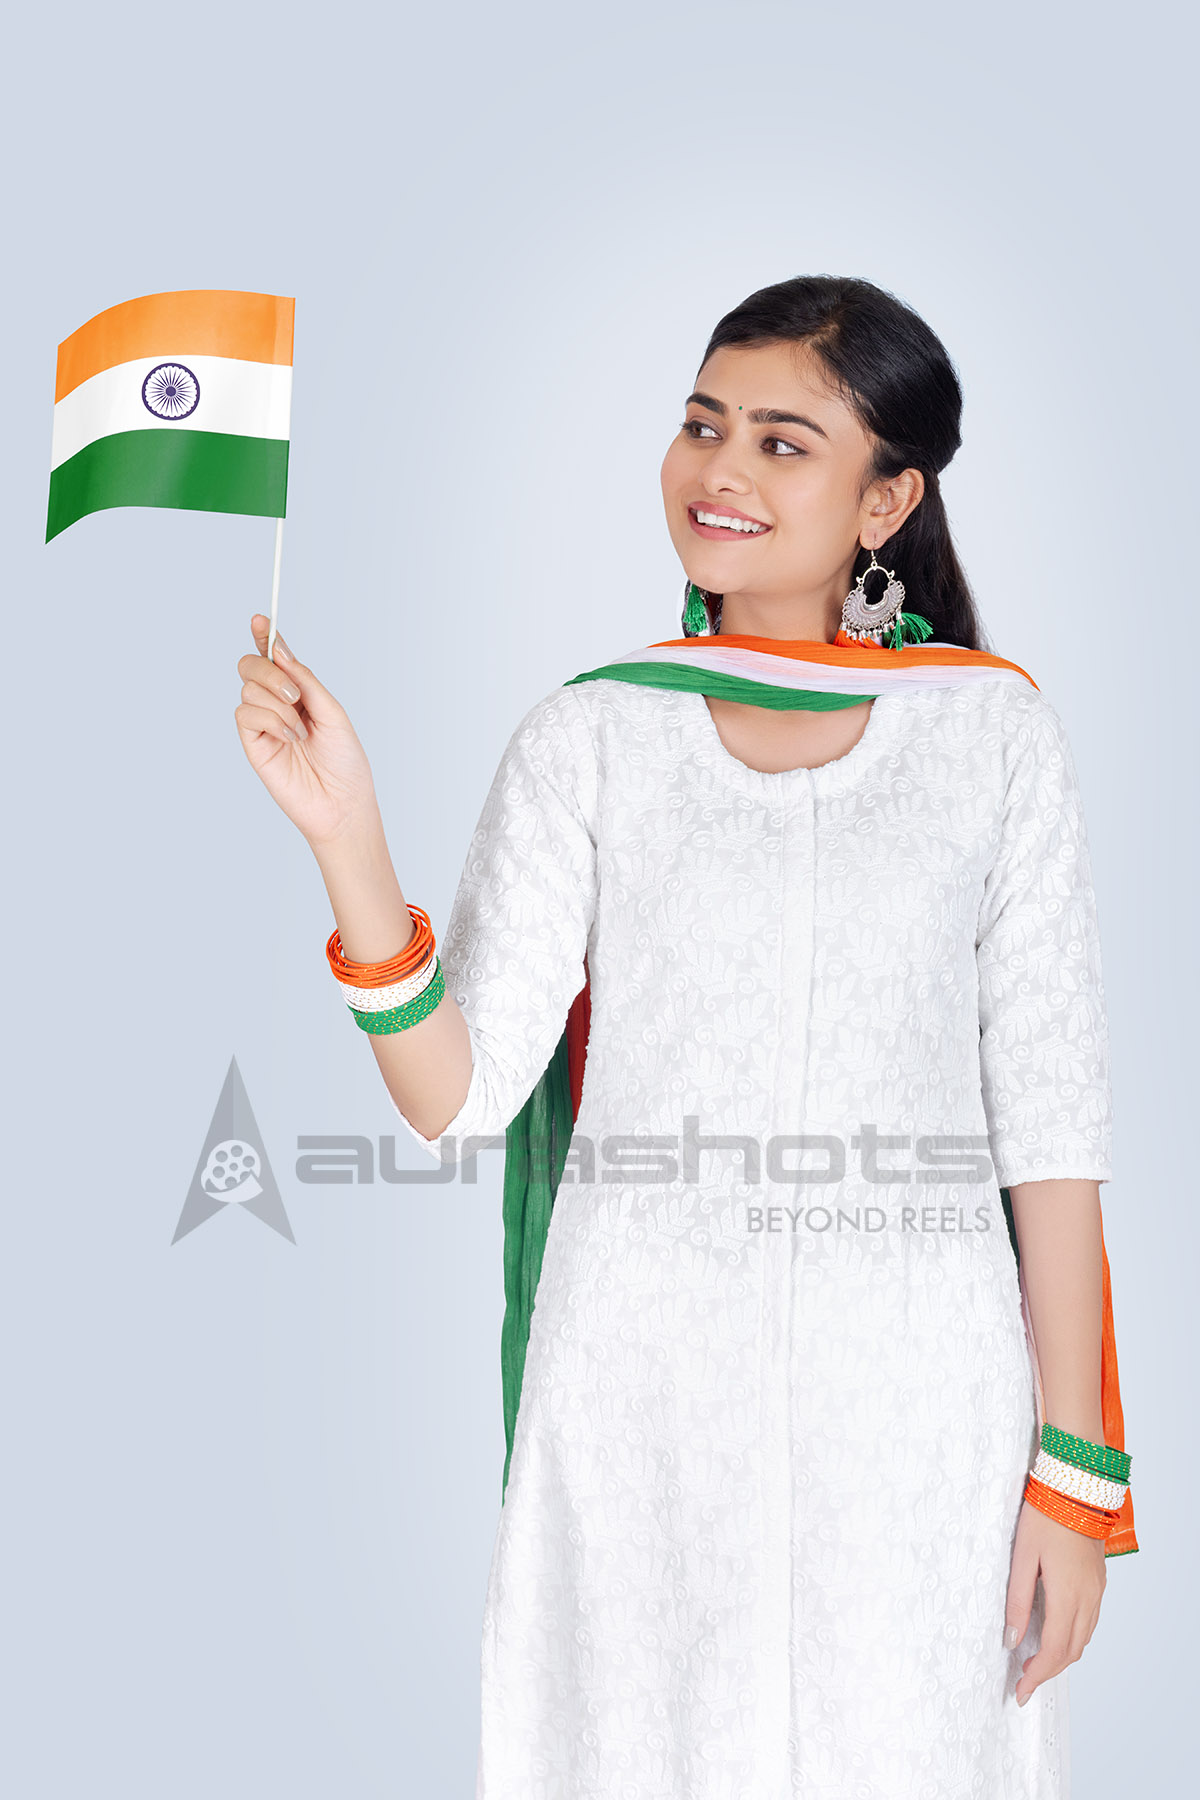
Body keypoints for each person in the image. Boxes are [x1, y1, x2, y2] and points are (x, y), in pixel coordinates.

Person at [234, 275, 1135, 1799]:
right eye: (703, 424)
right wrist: (348, 842)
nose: (721, 470)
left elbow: (1050, 1125)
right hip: (641, 1407)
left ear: (886, 497)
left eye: (786, 442)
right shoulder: (592, 736)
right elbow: (460, 1099)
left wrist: (1075, 1479)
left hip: (917, 1415)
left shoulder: (990, 741)